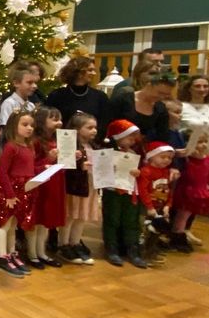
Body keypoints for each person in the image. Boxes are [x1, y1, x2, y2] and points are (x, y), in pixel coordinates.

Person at [0, 111, 38, 278]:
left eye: (32, 125)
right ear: (14, 126)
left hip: (23, 190)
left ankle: (11, 253)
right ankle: (2, 257)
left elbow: (28, 168)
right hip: (9, 190)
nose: (29, 128)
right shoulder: (11, 147)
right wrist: (9, 194)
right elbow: (2, 172)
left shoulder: (29, 147)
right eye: (25, 124)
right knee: (3, 224)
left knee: (13, 225)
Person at [102, 119, 145, 268]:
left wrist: (138, 172)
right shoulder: (107, 152)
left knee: (131, 220)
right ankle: (111, 248)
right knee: (112, 219)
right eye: (129, 137)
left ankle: (132, 249)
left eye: (134, 137)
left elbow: (139, 172)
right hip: (112, 190)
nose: (133, 140)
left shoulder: (133, 153)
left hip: (129, 190)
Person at [59, 112, 100, 265]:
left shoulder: (94, 146)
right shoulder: (71, 146)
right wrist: (79, 165)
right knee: (71, 216)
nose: (94, 131)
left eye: (95, 127)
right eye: (89, 127)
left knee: (81, 216)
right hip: (75, 187)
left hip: (89, 185)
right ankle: (63, 244)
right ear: (77, 129)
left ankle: (75, 243)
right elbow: (65, 166)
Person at [27, 106, 65, 269]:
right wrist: (47, 159)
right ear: (42, 121)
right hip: (39, 184)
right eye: (54, 119)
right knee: (35, 220)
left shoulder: (59, 139)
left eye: (59, 119)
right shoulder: (34, 141)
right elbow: (29, 166)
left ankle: (42, 252)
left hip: (54, 182)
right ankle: (32, 254)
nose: (59, 122)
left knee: (46, 221)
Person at [170, 131, 209, 253]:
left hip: (200, 192)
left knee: (190, 215)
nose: (203, 145)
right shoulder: (186, 160)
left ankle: (182, 233)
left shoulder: (208, 159)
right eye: (199, 142)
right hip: (186, 192)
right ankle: (177, 237)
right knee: (182, 216)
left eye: (205, 142)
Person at [46, 56, 111, 140]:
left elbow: (104, 123)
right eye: (90, 70)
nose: (94, 73)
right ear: (79, 72)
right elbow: (50, 122)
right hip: (63, 143)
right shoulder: (57, 96)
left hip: (91, 144)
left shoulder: (100, 97)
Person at [108, 63, 175, 141]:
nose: (162, 97)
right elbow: (108, 125)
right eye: (160, 93)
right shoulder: (123, 99)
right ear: (149, 85)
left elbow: (163, 136)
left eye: (165, 95)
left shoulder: (160, 108)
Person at [138, 141, 176, 262]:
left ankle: (151, 252)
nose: (166, 160)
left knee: (156, 230)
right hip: (147, 208)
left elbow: (169, 190)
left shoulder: (166, 172)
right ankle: (141, 254)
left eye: (169, 158)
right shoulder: (146, 171)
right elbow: (142, 190)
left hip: (159, 207)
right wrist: (149, 207)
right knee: (144, 231)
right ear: (151, 156)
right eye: (163, 157)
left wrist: (168, 206)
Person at [0, 63, 40, 128]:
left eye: (35, 83)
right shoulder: (9, 104)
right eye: (29, 82)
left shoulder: (31, 106)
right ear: (16, 83)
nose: (35, 86)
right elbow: (5, 129)